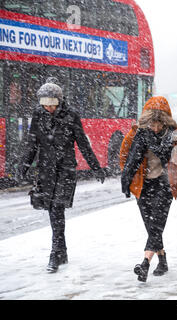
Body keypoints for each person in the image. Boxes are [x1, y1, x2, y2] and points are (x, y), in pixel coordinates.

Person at [18, 77, 105, 273]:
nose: (47, 107)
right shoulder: (38, 115)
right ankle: (62, 251)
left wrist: (96, 167)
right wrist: (23, 166)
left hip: (65, 170)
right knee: (53, 211)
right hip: (46, 171)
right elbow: (32, 143)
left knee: (57, 208)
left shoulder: (71, 115)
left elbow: (83, 143)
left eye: (51, 103)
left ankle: (54, 254)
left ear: (59, 100)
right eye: (44, 103)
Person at [120, 97, 177, 282]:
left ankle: (145, 264)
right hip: (143, 185)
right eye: (153, 124)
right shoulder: (138, 135)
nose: (156, 128)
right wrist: (127, 179)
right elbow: (126, 156)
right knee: (151, 227)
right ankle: (163, 259)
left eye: (159, 125)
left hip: (164, 184)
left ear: (166, 123)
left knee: (156, 224)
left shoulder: (175, 137)